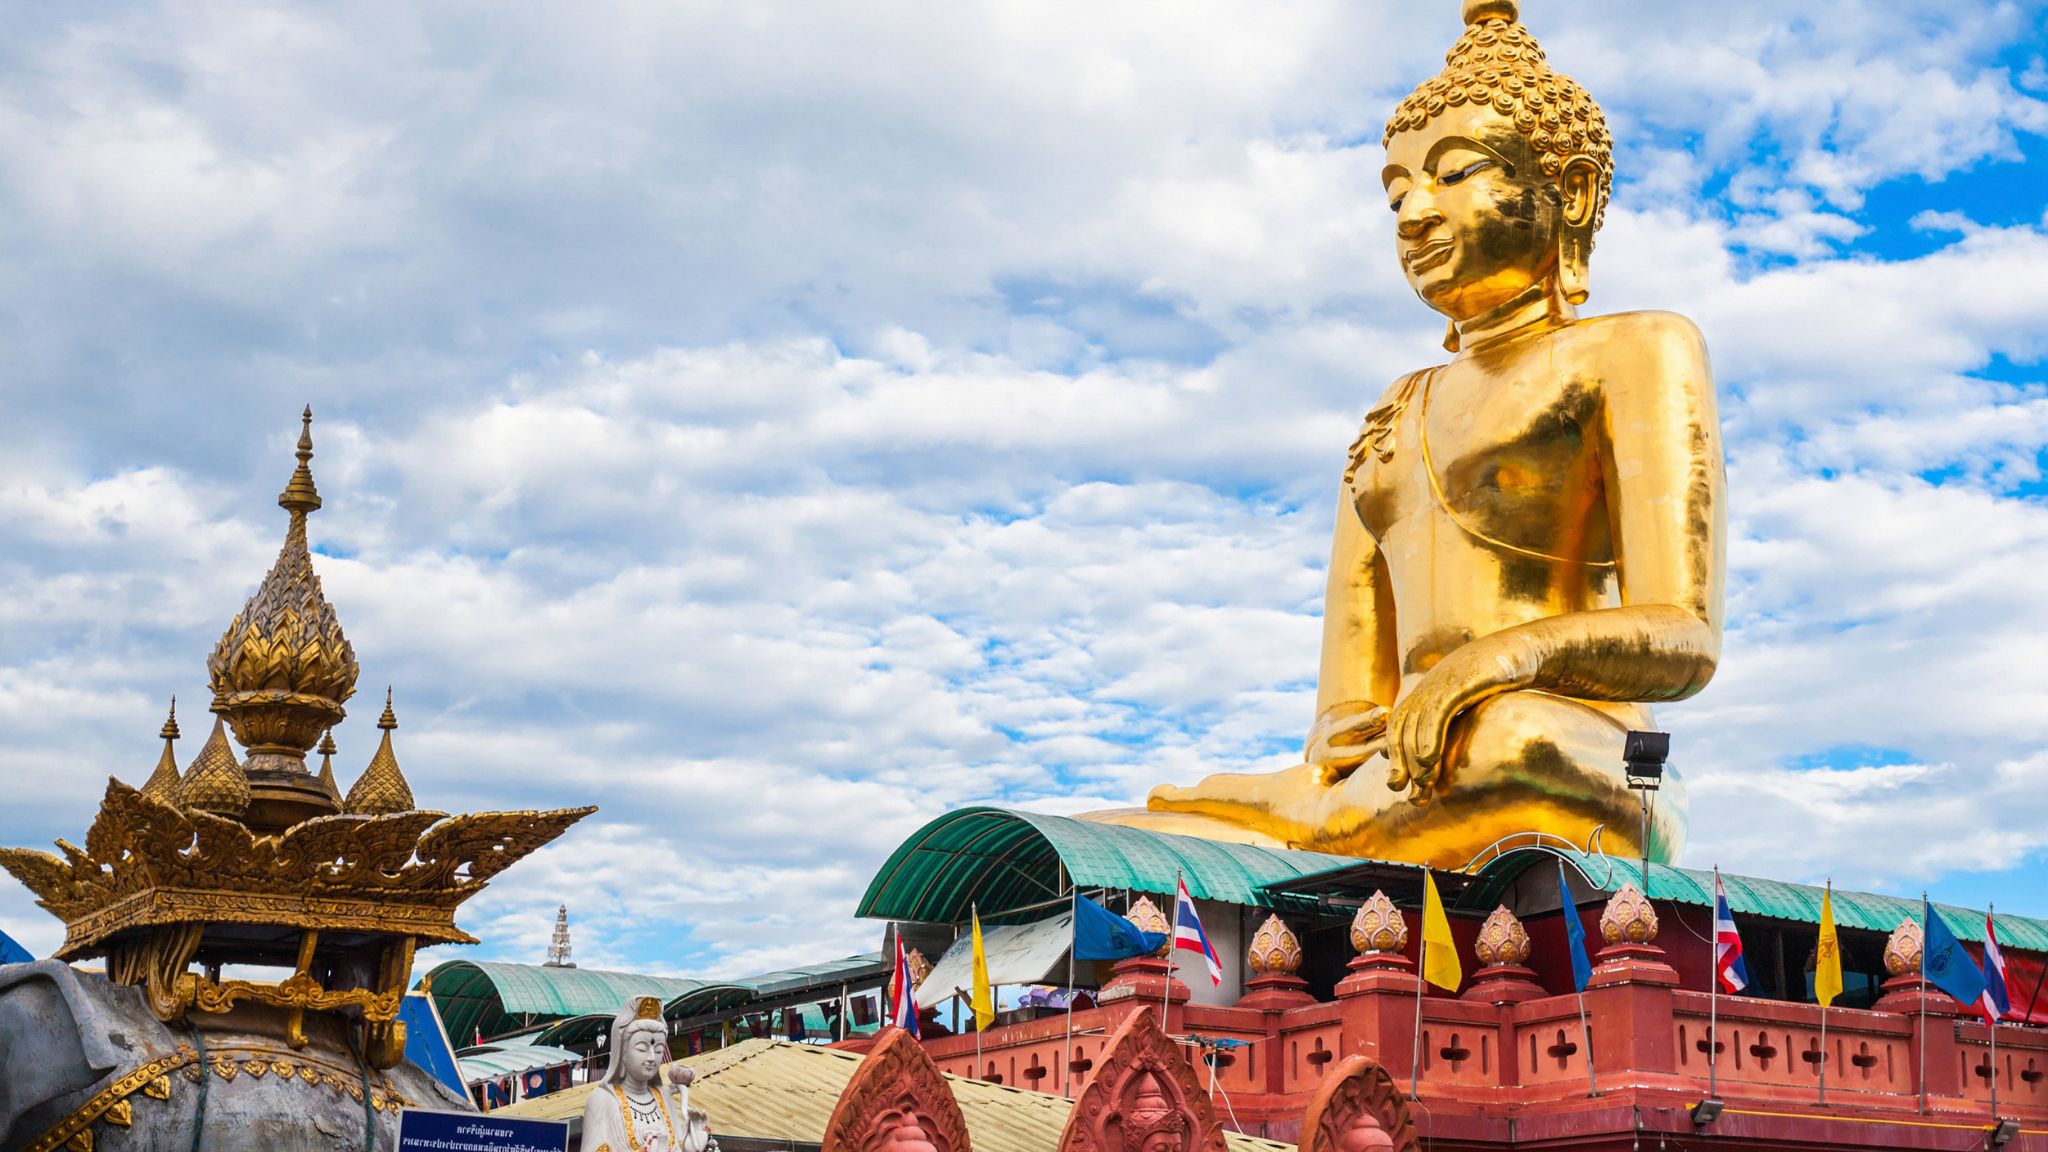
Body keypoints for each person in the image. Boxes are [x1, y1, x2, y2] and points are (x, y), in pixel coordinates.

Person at [1098, 0, 1723, 867]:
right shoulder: (1394, 413)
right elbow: (1349, 712)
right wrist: (1338, 739)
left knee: (1512, 744)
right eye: (1397, 192)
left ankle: (1273, 825)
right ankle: (1277, 825)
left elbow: (1685, 638)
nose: (1413, 214)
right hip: (1404, 774)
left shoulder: (1634, 350)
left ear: (1570, 191)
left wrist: (1503, 659)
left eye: (1455, 173)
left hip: (1568, 751)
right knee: (1122, 835)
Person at [581, 996, 709, 1152]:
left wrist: (694, 1140)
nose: (651, 1058)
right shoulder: (602, 1100)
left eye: (658, 1050)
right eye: (642, 1049)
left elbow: (677, 1146)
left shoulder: (664, 1097)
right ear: (622, 1052)